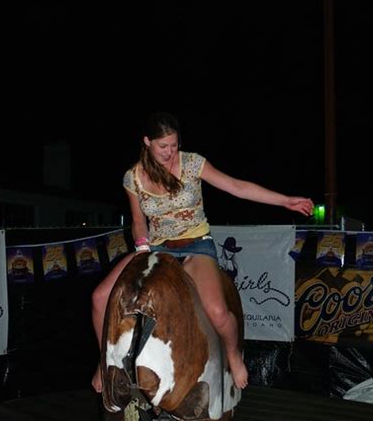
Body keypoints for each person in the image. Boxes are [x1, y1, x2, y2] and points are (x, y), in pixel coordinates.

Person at [91, 112, 314, 393]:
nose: (171, 152)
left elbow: (236, 187)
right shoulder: (132, 177)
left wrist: (286, 201)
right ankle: (106, 361)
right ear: (147, 142)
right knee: (100, 298)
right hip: (155, 247)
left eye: (174, 145)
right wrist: (143, 247)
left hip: (197, 244)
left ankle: (233, 353)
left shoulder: (193, 163)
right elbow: (138, 222)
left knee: (218, 312)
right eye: (163, 147)